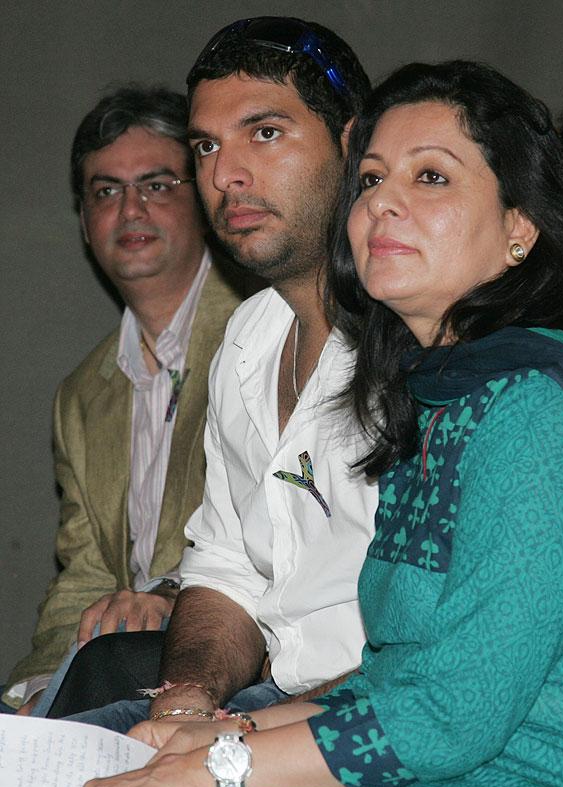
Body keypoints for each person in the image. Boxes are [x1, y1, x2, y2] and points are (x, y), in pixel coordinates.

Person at [79, 59, 563, 787]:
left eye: (432, 178)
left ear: (520, 226)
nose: (386, 205)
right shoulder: (438, 397)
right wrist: (217, 735)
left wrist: (210, 771)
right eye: (372, 180)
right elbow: (389, 679)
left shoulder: (532, 405)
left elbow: (451, 716)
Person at [44, 16, 375, 729]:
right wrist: (189, 698)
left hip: (373, 714)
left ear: (351, 143)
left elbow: (442, 658)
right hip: (267, 699)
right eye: (206, 145)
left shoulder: (421, 337)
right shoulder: (249, 339)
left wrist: (250, 737)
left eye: (264, 132)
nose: (225, 174)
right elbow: (224, 570)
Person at [1, 86, 246, 716]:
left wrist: (168, 595)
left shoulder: (264, 331)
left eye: (158, 184)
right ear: (85, 223)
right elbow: (81, 581)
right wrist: (29, 696)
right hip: (113, 670)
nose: (130, 209)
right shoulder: (81, 397)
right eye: (106, 191)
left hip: (231, 656)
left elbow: (274, 531)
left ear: (207, 199)